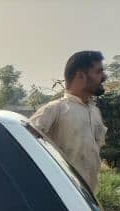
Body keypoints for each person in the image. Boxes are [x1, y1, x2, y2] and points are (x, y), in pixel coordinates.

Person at [30, 50, 108, 193]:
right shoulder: (55, 110)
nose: (103, 77)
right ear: (80, 75)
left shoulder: (95, 112)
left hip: (88, 196)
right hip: (59, 195)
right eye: (98, 72)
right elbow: (26, 144)